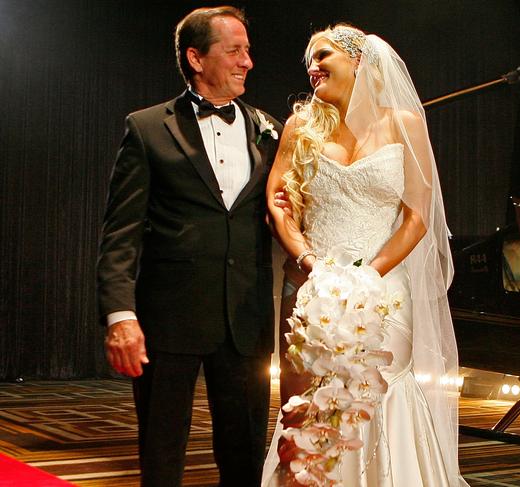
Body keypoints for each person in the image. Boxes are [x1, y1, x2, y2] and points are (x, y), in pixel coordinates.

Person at [263, 25, 468, 486]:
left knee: (380, 392)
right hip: (311, 285)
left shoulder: (405, 125)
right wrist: (313, 265)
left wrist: (368, 277)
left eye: (323, 55)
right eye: (310, 61)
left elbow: (417, 218)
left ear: (358, 61)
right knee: (307, 403)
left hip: (385, 290)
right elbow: (279, 206)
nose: (313, 67)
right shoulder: (300, 128)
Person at [96, 6, 282, 487]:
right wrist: (121, 316)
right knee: (161, 453)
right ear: (196, 58)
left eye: (248, 50)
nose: (248, 62)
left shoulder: (270, 129)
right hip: (167, 319)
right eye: (235, 50)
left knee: (244, 454)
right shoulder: (147, 128)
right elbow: (120, 233)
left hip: (245, 316)